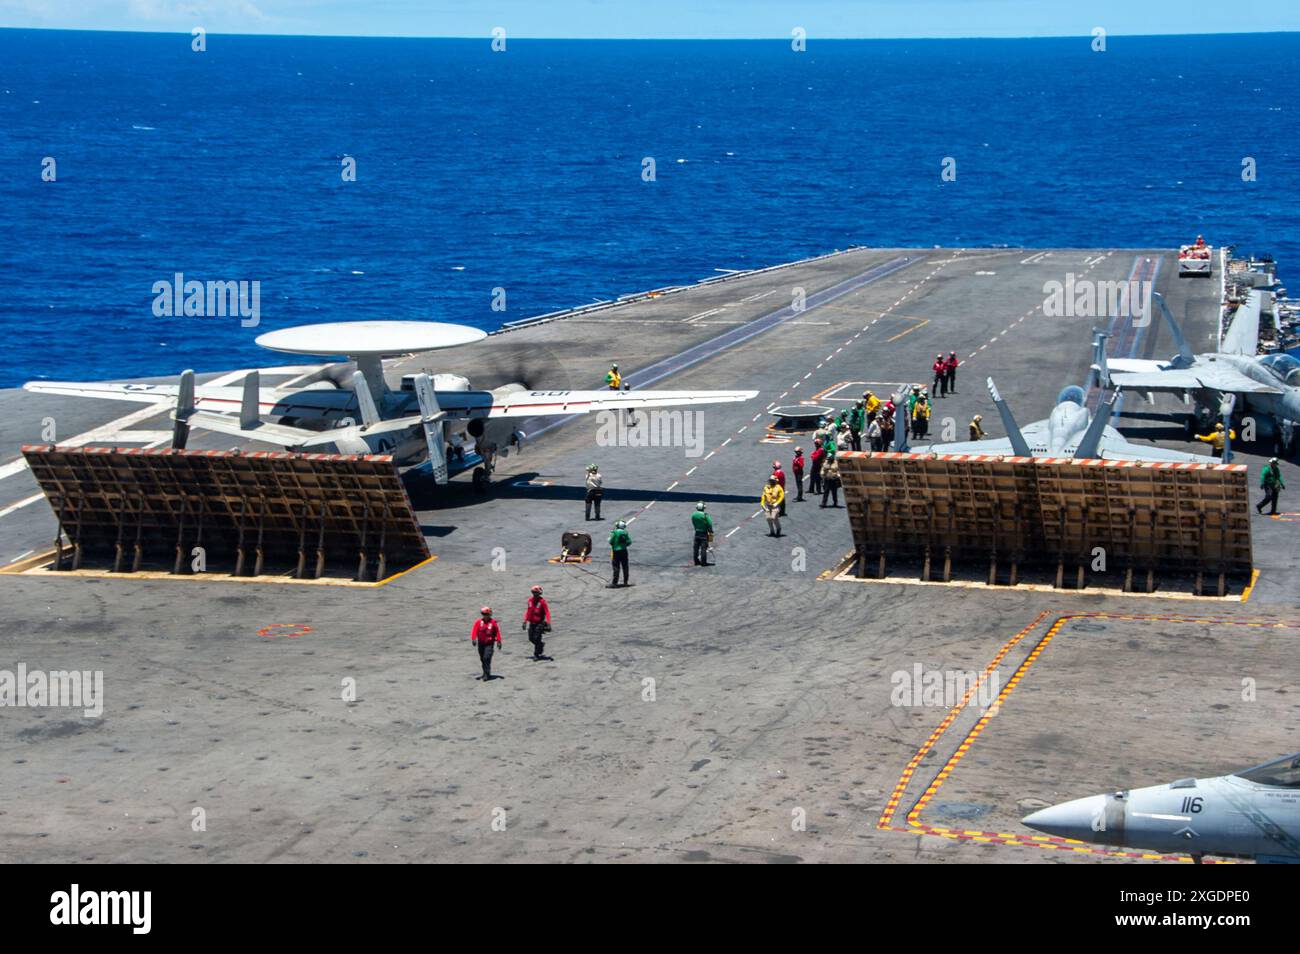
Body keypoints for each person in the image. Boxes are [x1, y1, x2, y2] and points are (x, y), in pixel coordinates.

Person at [471, 606, 501, 681]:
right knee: (482, 659)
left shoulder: (493, 622)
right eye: (484, 614)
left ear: (489, 614)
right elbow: (474, 630)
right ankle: (485, 672)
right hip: (481, 644)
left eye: (486, 614)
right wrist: (473, 638)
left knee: (486, 658)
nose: (485, 616)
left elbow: (497, 632)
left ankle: (487, 674)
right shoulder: (478, 622)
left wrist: (499, 641)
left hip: (489, 644)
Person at [523, 585, 551, 660]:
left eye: (536, 592)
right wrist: (525, 621)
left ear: (539, 593)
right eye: (533, 592)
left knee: (537, 638)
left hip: (539, 623)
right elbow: (528, 611)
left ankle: (536, 654)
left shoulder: (542, 602)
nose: (535, 594)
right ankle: (540, 645)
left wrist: (548, 623)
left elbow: (547, 612)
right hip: (532, 623)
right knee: (531, 638)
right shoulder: (530, 601)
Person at [609, 519, 630, 586]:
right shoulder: (625, 532)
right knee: (625, 566)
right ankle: (625, 582)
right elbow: (629, 542)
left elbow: (610, 541)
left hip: (616, 551)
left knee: (616, 566)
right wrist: (624, 545)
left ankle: (615, 582)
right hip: (624, 551)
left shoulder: (615, 533)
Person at [691, 502, 714, 566]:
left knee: (696, 549)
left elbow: (693, 522)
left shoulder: (693, 515)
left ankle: (696, 561)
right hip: (704, 534)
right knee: (703, 548)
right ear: (703, 508)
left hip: (697, 533)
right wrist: (710, 531)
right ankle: (703, 562)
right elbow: (709, 523)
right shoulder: (705, 515)